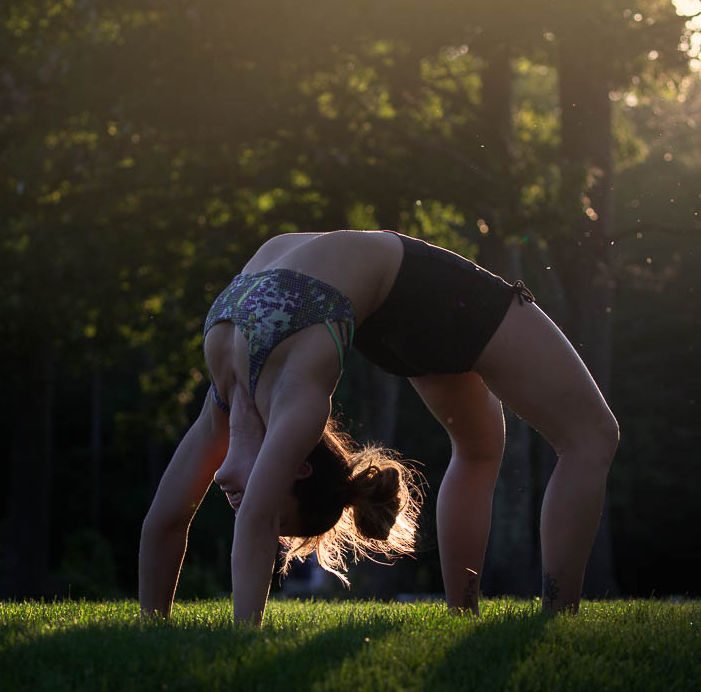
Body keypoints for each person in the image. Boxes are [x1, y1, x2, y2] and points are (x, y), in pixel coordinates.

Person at [139, 229, 619, 625]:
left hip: (402, 300)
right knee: (589, 438)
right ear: (299, 470)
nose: (254, 514)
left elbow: (189, 520)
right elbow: (192, 519)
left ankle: (489, 616)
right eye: (283, 525)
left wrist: (231, 634)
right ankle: (548, 618)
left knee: (494, 448)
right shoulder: (269, 397)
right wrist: (157, 627)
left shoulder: (247, 399)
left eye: (278, 525)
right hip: (402, 300)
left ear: (297, 470)